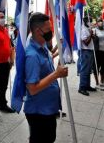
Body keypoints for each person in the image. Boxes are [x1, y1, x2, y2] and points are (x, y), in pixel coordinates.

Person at [24, 13, 68, 143]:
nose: (51, 32)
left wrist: (58, 64)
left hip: (48, 108)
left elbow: (46, 66)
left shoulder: (42, 46)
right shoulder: (32, 55)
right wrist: (56, 74)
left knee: (49, 138)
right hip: (39, 111)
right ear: (38, 31)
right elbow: (32, 88)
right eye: (49, 29)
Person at [78, 16, 97, 96]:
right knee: (84, 70)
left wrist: (92, 35)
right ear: (85, 22)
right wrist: (90, 34)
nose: (91, 23)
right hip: (85, 51)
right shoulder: (83, 30)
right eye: (90, 21)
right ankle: (82, 88)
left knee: (88, 70)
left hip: (90, 51)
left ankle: (87, 86)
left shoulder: (87, 29)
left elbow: (93, 39)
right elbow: (86, 42)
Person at [94, 18, 104, 88]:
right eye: (99, 21)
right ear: (97, 23)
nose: (100, 22)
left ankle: (102, 81)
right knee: (97, 67)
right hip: (98, 51)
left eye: (101, 21)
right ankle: (97, 83)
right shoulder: (94, 30)